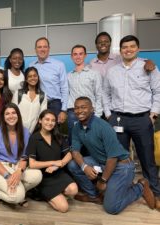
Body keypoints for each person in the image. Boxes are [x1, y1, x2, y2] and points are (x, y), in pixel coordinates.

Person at [67, 97, 155, 214]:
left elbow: (112, 158)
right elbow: (75, 151)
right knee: (73, 164)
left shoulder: (103, 126)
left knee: (111, 208)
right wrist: (85, 167)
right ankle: (94, 196)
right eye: (76, 108)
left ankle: (140, 187)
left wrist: (103, 181)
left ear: (92, 109)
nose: (79, 111)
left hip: (121, 167)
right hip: (100, 162)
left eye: (83, 107)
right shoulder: (77, 127)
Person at [103, 35, 160, 209]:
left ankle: (155, 193)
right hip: (118, 119)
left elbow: (157, 91)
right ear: (120, 51)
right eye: (125, 47)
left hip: (142, 119)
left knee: (147, 158)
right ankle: (123, 189)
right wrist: (108, 115)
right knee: (120, 159)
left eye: (132, 46)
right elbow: (106, 93)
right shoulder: (113, 71)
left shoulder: (148, 67)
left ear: (138, 49)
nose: (128, 49)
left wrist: (153, 115)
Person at [0, 103, 42, 206]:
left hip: (16, 167)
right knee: (15, 197)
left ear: (18, 115)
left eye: (13, 113)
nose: (11, 116)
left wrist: (19, 171)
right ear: (3, 117)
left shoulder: (25, 132)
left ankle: (18, 190)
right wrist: (8, 176)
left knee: (37, 175)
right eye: (7, 114)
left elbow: (25, 156)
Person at [27, 109, 78, 212]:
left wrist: (58, 165)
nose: (50, 123)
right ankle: (42, 194)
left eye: (53, 120)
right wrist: (53, 162)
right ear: (40, 121)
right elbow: (32, 164)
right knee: (64, 208)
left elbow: (69, 155)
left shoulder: (57, 135)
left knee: (74, 190)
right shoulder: (34, 138)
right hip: (43, 177)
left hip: (58, 173)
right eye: (47, 119)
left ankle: (56, 195)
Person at [67, 44, 102, 144]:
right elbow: (66, 94)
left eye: (81, 54)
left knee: (92, 143)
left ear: (85, 55)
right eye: (75, 54)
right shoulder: (68, 76)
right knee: (74, 142)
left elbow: (99, 95)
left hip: (90, 113)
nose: (78, 56)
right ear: (72, 56)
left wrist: (98, 115)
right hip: (73, 114)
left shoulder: (94, 74)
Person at [30, 37, 68, 124]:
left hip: (55, 105)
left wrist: (64, 110)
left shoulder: (59, 65)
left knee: (54, 132)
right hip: (38, 104)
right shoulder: (31, 66)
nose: (42, 49)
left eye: (45, 47)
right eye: (39, 47)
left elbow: (64, 88)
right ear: (35, 49)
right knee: (37, 130)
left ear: (49, 48)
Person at [90, 32, 155, 77]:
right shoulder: (91, 63)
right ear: (96, 45)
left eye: (106, 42)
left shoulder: (119, 58)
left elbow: (136, 60)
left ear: (110, 43)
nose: (103, 44)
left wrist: (149, 61)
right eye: (100, 42)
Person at [12, 67, 47, 133]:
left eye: (35, 76)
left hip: (34, 133)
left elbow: (42, 116)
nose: (33, 78)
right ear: (26, 79)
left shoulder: (42, 96)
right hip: (18, 132)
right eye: (29, 76)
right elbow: (13, 112)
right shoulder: (18, 94)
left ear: (38, 77)